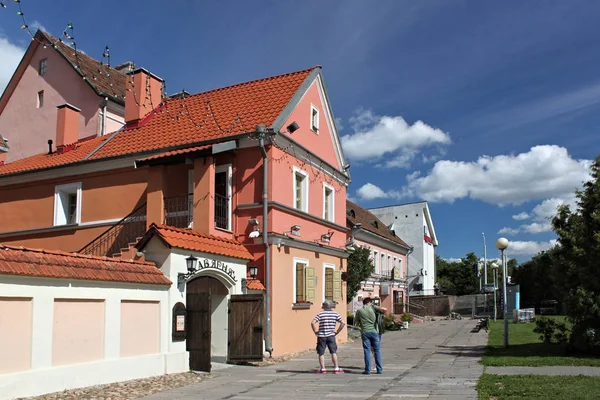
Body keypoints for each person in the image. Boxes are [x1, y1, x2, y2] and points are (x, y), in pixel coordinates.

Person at [311, 300, 346, 374]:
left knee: (321, 353)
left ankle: (323, 369)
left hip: (321, 336)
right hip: (331, 335)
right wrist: (337, 331)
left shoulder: (320, 314)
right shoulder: (335, 314)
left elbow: (313, 322)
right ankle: (336, 368)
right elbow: (343, 323)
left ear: (324, 306)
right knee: (333, 352)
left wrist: (315, 331)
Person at [354, 297, 386, 374]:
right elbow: (384, 310)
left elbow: (355, 323)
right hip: (375, 332)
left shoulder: (359, 311)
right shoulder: (373, 309)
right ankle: (379, 369)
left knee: (367, 351)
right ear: (370, 303)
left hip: (365, 332)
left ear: (363, 303)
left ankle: (367, 370)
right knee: (377, 351)